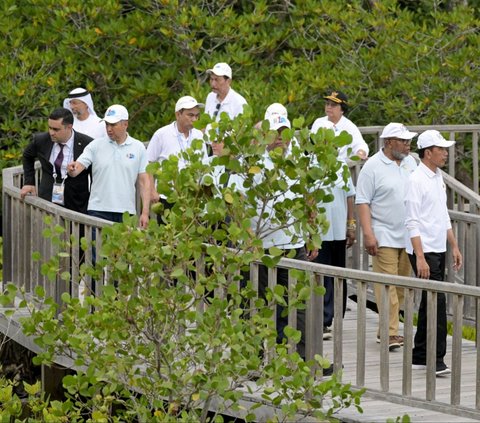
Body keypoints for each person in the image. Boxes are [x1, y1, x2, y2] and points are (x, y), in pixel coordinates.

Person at [405, 129, 462, 376]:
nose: (445, 154)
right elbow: (411, 221)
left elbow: (442, 213)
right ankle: (436, 359)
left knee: (431, 302)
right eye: (441, 150)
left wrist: (454, 245)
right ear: (428, 153)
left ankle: (419, 355)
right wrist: (419, 256)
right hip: (423, 249)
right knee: (437, 303)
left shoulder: (437, 176)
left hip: (438, 247)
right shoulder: (415, 180)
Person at [356, 123, 418, 350]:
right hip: (383, 234)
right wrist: (368, 233)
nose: (407, 144)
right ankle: (389, 333)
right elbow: (362, 201)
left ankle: (388, 328)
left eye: (409, 140)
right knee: (387, 286)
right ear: (389, 141)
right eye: (403, 141)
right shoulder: (372, 166)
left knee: (400, 287)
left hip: (408, 235)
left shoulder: (411, 162)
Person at [67, 104, 150, 228]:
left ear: (125, 124)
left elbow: (144, 181)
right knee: (97, 248)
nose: (109, 129)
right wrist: (71, 169)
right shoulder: (95, 145)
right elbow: (76, 169)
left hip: (127, 212)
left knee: (124, 248)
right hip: (98, 210)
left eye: (113, 124)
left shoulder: (138, 147)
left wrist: (145, 212)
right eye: (107, 124)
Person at [311, 120, 356, 340]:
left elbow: (349, 195)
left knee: (339, 273)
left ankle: (336, 314)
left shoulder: (341, 167)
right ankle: (323, 319)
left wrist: (351, 224)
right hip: (319, 230)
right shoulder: (310, 166)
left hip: (339, 228)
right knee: (322, 273)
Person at [146, 95, 207, 221]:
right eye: (190, 115)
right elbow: (148, 163)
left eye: (197, 116)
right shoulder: (162, 134)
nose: (194, 119)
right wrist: (152, 191)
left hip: (191, 198)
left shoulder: (199, 135)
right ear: (178, 114)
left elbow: (204, 164)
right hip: (167, 197)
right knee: (168, 236)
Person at [21, 107, 92, 213]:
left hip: (76, 202)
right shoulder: (41, 140)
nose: (51, 133)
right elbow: (27, 155)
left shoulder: (87, 143)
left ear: (69, 127)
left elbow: (94, 171)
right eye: (50, 128)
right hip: (47, 200)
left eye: (56, 129)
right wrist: (29, 182)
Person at [311, 90, 369, 163]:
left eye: (333, 105)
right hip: (318, 165)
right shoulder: (318, 122)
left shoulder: (349, 126)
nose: (329, 107)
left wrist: (360, 153)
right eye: (327, 104)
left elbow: (360, 145)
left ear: (342, 109)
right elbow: (311, 144)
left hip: (341, 167)